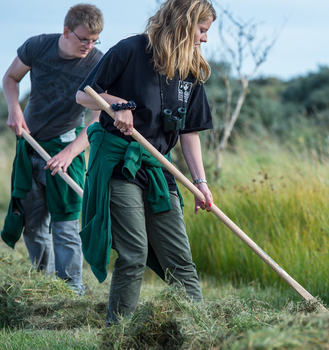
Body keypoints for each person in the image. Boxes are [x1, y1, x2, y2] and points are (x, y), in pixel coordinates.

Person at [76, 0, 215, 324]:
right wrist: (118, 105)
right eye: (202, 30)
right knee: (134, 254)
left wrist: (200, 183)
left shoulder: (191, 71)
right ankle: (117, 334)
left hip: (158, 168)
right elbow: (84, 94)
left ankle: (201, 330)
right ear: (184, 22)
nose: (205, 39)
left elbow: (189, 132)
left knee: (180, 258)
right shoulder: (132, 49)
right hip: (119, 166)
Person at [1, 4, 104, 295]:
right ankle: (44, 287)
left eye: (95, 40)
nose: (89, 46)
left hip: (67, 145)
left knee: (65, 226)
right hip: (29, 144)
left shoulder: (97, 62)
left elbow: (98, 120)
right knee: (32, 224)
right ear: (66, 31)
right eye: (84, 39)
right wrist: (14, 110)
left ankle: (72, 291)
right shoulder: (38, 46)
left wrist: (70, 152)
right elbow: (10, 78)